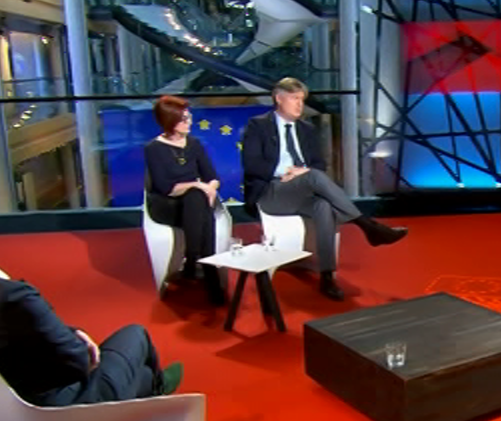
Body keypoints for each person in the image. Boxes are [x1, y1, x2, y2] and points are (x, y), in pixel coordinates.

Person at [0, 170, 183, 406]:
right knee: (136, 336)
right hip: (51, 407)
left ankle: (149, 387)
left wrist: (69, 335)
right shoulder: (9, 295)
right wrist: (76, 342)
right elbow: (78, 363)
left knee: (138, 375)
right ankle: (156, 388)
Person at [241, 77, 408, 301]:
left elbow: (319, 164)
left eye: (302, 99)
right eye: (294, 98)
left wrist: (303, 172)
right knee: (314, 176)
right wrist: (287, 172)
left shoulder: (307, 129)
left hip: (302, 190)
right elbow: (252, 165)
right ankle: (367, 226)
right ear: (279, 98)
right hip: (271, 192)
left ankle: (327, 277)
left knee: (323, 207)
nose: (299, 104)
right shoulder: (258, 125)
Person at [144, 95, 226, 305]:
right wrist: (198, 186)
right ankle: (209, 275)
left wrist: (210, 189)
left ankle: (192, 259)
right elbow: (165, 188)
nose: (190, 122)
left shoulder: (194, 144)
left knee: (197, 199)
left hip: (194, 205)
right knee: (196, 197)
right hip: (167, 206)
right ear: (169, 121)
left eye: (189, 117)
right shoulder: (153, 149)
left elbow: (212, 177)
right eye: (184, 119)